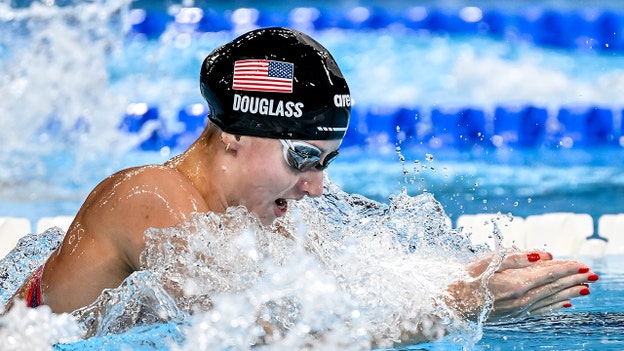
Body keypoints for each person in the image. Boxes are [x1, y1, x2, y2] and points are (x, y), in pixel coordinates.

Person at [7, 27, 598, 342]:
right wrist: (456, 309)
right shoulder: (149, 198)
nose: (315, 187)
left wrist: (459, 282)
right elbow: (264, 339)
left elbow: (339, 301)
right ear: (234, 133)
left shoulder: (265, 209)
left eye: (326, 162)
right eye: (301, 158)